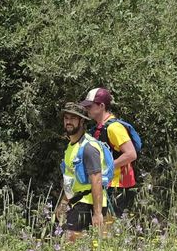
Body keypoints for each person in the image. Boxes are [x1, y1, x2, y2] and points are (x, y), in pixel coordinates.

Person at [53, 102, 110, 240]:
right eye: (66, 118)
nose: (68, 122)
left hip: (88, 204)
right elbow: (70, 179)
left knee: (70, 244)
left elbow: (96, 180)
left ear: (82, 121)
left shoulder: (89, 147)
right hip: (77, 202)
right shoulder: (71, 146)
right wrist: (63, 203)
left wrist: (97, 213)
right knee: (73, 246)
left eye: (73, 118)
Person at [80, 87, 138, 218]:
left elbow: (131, 154)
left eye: (90, 106)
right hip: (107, 184)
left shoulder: (114, 128)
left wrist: (105, 168)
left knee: (110, 224)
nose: (87, 109)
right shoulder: (98, 128)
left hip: (118, 186)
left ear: (101, 106)